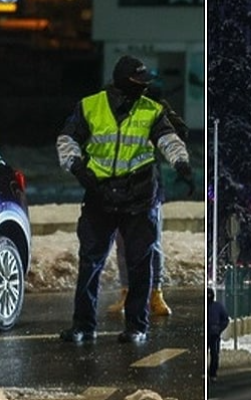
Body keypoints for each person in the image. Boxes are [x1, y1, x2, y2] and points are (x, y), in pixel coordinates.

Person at [56, 55, 193, 344]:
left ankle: (136, 327)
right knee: (90, 263)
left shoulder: (152, 110)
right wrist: (77, 168)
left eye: (145, 84)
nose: (143, 89)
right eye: (138, 83)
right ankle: (83, 325)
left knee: (139, 265)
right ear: (121, 82)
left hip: (139, 197)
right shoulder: (90, 106)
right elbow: (67, 139)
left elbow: (168, 139)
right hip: (99, 194)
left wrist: (180, 163)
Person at [106, 93, 189, 317]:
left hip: (149, 187)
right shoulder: (111, 109)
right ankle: (127, 291)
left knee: (152, 242)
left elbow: (180, 132)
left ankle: (155, 293)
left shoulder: (153, 109)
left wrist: (165, 114)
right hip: (118, 188)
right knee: (123, 243)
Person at [207, 287, 230, 382]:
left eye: (210, 295)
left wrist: (219, 329)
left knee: (215, 354)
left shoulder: (218, 306)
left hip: (214, 335)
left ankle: (213, 373)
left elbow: (225, 319)